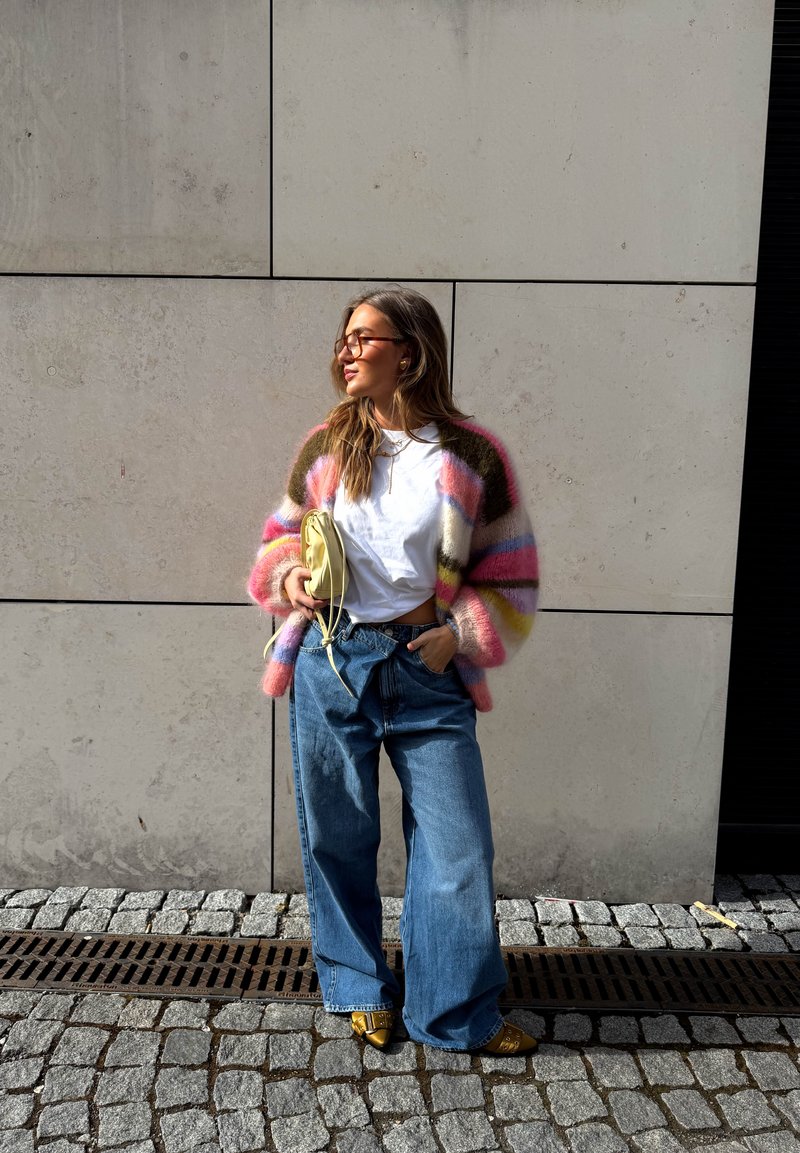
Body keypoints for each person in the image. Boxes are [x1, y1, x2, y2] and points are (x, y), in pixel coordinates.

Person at [247, 286, 539, 1053]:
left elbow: (511, 574)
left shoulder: (472, 454)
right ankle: (356, 986)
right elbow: (280, 541)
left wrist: (458, 634)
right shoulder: (326, 446)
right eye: (344, 338)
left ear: (408, 351)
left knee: (457, 846)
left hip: (426, 669)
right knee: (337, 836)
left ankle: (452, 1012)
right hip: (332, 661)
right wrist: (291, 580)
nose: (345, 350)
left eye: (364, 338)